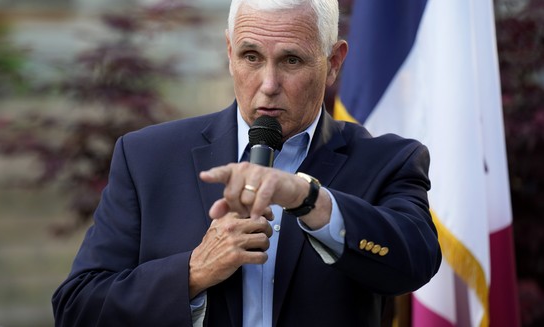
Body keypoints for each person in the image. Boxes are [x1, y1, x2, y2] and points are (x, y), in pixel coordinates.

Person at [52, 0, 442, 326]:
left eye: (291, 60)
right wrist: (191, 273)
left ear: (334, 61)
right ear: (229, 52)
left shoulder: (388, 160)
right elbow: (77, 308)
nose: (268, 84)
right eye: (251, 56)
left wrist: (309, 200)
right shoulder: (147, 157)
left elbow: (416, 262)